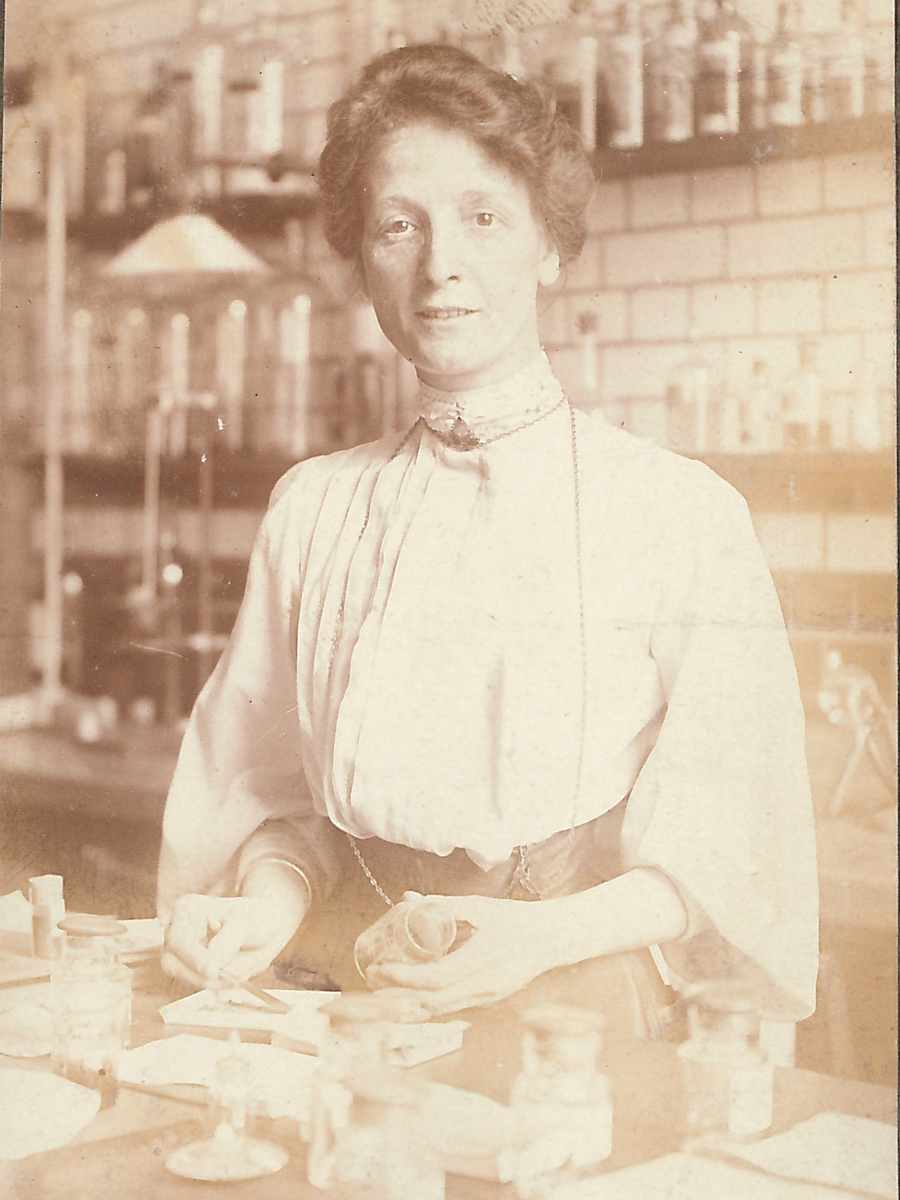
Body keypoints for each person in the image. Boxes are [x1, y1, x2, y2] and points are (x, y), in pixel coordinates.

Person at [158, 43, 817, 1034]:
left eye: (484, 217)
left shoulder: (677, 511)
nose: (440, 266)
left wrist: (538, 939)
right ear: (361, 259)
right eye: (399, 225)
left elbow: (735, 839)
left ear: (550, 247)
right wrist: (264, 908)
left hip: (568, 1011)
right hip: (346, 1000)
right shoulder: (314, 509)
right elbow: (272, 795)